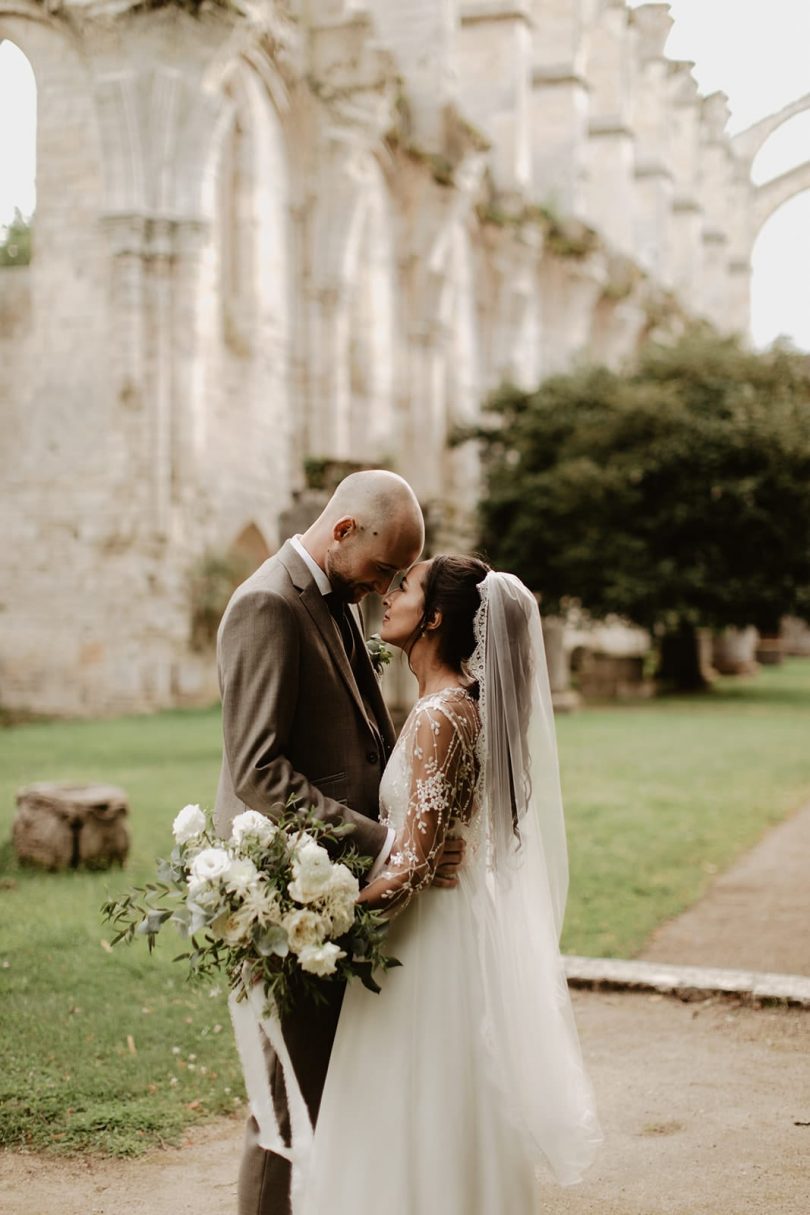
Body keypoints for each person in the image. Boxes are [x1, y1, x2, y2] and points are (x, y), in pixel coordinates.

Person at [295, 555, 602, 1214]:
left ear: (434, 616)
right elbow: (428, 849)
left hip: (424, 939)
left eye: (402, 586)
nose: (387, 593)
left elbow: (412, 864)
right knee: (438, 1099)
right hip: (449, 924)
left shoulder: (442, 714)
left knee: (410, 1098)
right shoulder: (457, 704)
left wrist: (313, 913)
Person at [214, 472, 465, 1215]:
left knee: (329, 1084)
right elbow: (258, 772)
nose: (386, 589)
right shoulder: (266, 602)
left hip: (341, 884)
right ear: (345, 529)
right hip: (294, 885)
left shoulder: (331, 598)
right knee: (286, 1100)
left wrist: (418, 823)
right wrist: (386, 841)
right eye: (384, 570)